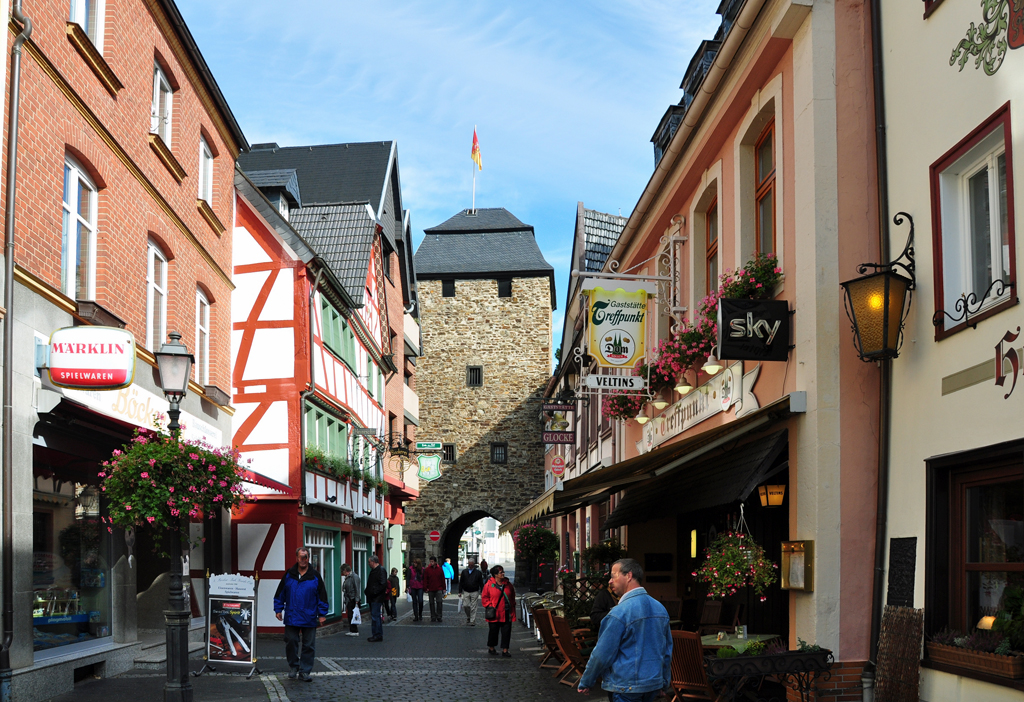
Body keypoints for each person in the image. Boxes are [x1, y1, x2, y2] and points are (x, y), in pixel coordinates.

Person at [577, 559, 672, 702]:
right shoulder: (660, 608)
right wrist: (664, 683)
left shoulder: (619, 612)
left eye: (613, 575)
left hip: (626, 687)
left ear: (628, 576)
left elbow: (602, 654)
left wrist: (587, 681)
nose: (610, 581)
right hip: (652, 684)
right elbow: (666, 651)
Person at [273, 547, 329, 682]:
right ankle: (293, 666)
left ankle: (305, 671)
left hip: (309, 616)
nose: (303, 560)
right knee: (290, 642)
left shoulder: (315, 576)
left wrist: (322, 614)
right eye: (301, 557)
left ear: (308, 558)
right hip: (292, 615)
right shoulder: (289, 574)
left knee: (308, 645)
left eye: (305, 557)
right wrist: (278, 609)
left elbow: (322, 596)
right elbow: (280, 593)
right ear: (297, 558)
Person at [481, 565, 516, 656]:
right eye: (501, 572)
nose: (503, 573)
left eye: (503, 572)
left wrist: (512, 605)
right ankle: (491, 648)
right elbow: (484, 597)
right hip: (495, 613)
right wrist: (490, 605)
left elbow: (512, 595)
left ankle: (505, 650)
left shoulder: (508, 584)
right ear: (495, 575)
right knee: (493, 631)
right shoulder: (489, 584)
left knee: (506, 632)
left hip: (506, 612)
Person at [363, 555, 388, 642]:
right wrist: (367, 591)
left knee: (375, 616)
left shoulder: (380, 570)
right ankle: (376, 634)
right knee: (375, 616)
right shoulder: (374, 571)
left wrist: (374, 592)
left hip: (376, 598)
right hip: (372, 597)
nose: (368, 563)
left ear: (373, 562)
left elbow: (383, 584)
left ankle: (377, 634)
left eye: (369, 562)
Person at [458, 558, 484, 626]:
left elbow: (481, 583)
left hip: (475, 591)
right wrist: (460, 591)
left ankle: (472, 620)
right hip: (466, 591)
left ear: (474, 565)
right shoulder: (464, 572)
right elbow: (461, 582)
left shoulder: (478, 573)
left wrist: (482, 591)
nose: (470, 566)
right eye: (469, 565)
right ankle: (469, 617)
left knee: (473, 606)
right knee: (466, 605)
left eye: (471, 565)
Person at [423, 556, 446, 622]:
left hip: (438, 588)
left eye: (432, 561)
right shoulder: (427, 569)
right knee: (431, 603)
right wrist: (426, 588)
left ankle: (439, 616)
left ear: (435, 562)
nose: (431, 563)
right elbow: (425, 579)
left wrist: (444, 588)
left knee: (439, 602)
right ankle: (433, 616)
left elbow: (442, 579)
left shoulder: (440, 569)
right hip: (430, 588)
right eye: (430, 561)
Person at [341, 564, 360, 637]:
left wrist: (357, 599)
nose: (342, 573)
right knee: (350, 615)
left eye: (343, 571)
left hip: (353, 599)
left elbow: (357, 589)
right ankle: (352, 630)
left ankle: (354, 630)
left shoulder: (354, 577)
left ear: (346, 570)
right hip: (349, 599)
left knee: (352, 615)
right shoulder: (348, 577)